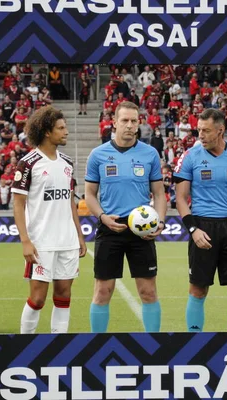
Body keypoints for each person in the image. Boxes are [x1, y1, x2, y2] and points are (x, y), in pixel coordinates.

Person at [85, 101, 167, 333]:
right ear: (114, 122)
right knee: (102, 291)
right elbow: (89, 195)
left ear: (139, 123)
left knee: (148, 291)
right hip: (110, 227)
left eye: (134, 121)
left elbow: (159, 193)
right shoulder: (98, 155)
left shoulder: (150, 153)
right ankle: (97, 344)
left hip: (142, 230)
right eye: (125, 121)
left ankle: (154, 344)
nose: (129, 126)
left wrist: (160, 221)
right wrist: (102, 217)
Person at [174, 108, 227, 332]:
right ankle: (194, 341)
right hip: (202, 227)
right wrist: (193, 230)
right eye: (199, 130)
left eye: (206, 130)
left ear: (220, 130)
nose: (200, 135)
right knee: (198, 290)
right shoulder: (189, 157)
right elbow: (180, 199)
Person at [12, 107, 87, 334]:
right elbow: (18, 204)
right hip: (41, 242)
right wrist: (25, 240)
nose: (66, 132)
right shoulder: (28, 163)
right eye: (61, 128)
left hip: (67, 241)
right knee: (37, 298)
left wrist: (79, 235)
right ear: (46, 131)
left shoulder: (67, 163)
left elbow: (69, 202)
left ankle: (58, 342)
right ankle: (25, 342)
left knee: (64, 295)